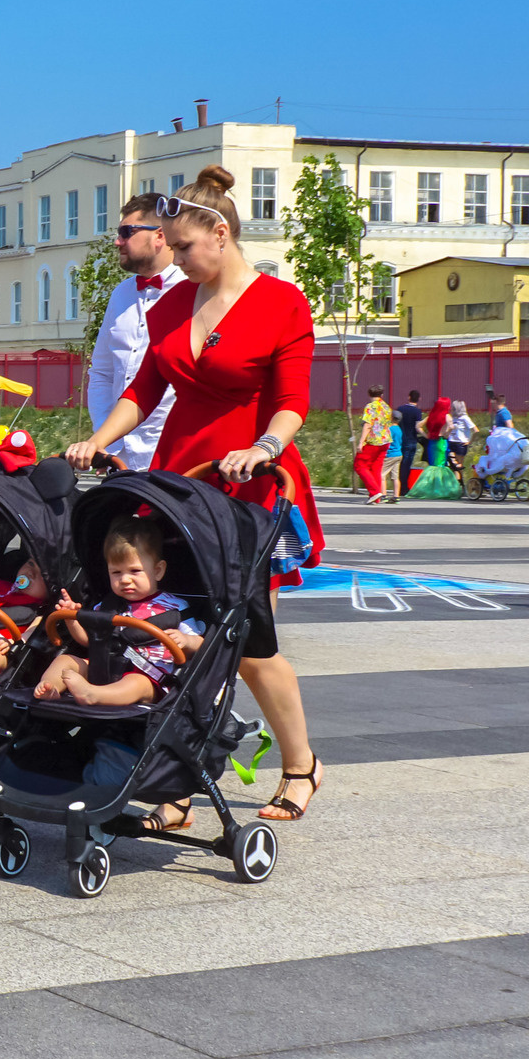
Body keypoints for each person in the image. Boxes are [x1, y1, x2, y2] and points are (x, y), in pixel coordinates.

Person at [64, 163, 324, 823]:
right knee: (178, 631)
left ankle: (301, 766)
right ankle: (177, 785)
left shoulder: (282, 301)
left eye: (183, 246)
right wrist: (100, 439)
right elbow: (145, 389)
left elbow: (293, 404)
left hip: (251, 484)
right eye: (170, 248)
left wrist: (263, 448)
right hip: (185, 480)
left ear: (220, 231)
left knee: (248, 641)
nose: (175, 260)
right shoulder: (179, 301)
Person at [34, 517, 206, 798]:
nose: (125, 579)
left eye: (135, 571)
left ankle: (92, 695)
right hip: (105, 667)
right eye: (116, 572)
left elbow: (202, 644)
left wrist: (186, 641)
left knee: (136, 683)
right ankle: (51, 687)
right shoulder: (107, 605)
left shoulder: (175, 607)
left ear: (158, 570)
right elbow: (89, 641)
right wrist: (74, 619)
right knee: (68, 661)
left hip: (151, 676)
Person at [84, 194, 185, 468]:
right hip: (121, 458)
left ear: (160, 236)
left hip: (173, 455)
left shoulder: (193, 292)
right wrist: (106, 438)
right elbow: (102, 371)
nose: (118, 241)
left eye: (126, 232)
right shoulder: (121, 294)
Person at [354, 387, 392, 503]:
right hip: (385, 440)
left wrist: (361, 442)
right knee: (376, 468)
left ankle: (374, 492)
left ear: (369, 393)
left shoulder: (370, 406)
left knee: (359, 465)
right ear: (382, 394)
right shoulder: (386, 407)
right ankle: (376, 497)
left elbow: (368, 425)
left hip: (373, 441)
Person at [393, 388, 424, 496]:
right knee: (407, 464)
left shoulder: (400, 409)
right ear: (419, 399)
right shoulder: (417, 412)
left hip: (401, 439)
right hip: (412, 440)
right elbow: (417, 427)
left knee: (401, 464)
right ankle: (404, 488)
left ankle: (400, 486)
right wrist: (425, 435)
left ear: (409, 397)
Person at [444, 399, 474, 473]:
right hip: (451, 442)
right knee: (451, 466)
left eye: (453, 408)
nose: (451, 409)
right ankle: (453, 481)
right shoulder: (453, 418)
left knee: (457, 467)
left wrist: (470, 441)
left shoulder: (464, 418)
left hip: (460, 443)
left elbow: (476, 430)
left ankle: (459, 483)